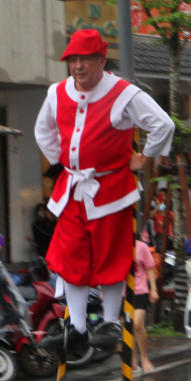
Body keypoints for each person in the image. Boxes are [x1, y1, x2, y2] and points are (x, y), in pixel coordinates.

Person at [34, 29, 174, 355]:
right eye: (72, 60)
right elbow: (43, 130)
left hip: (112, 186)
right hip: (72, 188)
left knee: (111, 255)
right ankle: (78, 328)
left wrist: (144, 157)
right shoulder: (57, 93)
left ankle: (110, 322)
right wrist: (63, 160)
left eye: (84, 59)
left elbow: (163, 124)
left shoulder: (124, 93)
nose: (78, 67)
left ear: (100, 59)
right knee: (72, 256)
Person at [132, 238, 160, 374]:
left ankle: (144, 358)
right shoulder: (117, 246)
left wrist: (153, 289)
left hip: (140, 290)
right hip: (122, 292)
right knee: (126, 326)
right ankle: (132, 361)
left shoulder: (141, 247)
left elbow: (150, 268)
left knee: (137, 324)